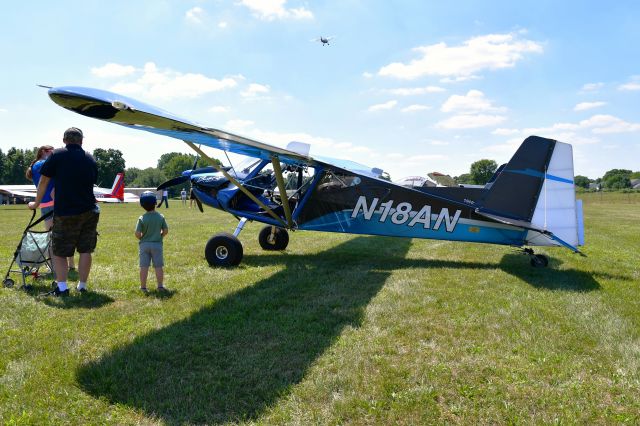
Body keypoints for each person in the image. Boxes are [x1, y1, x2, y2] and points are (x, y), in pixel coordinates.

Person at [28, 127, 99, 296]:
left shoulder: (57, 155)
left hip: (66, 211)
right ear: (81, 141)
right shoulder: (90, 158)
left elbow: (44, 181)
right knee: (85, 250)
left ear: (64, 140)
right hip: (90, 210)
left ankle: (62, 288)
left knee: (59, 250)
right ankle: (82, 286)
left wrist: (37, 203)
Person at [26, 145, 76, 272]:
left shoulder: (36, 165)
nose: (54, 153)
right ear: (43, 152)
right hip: (52, 203)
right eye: (51, 151)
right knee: (55, 236)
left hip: (48, 204)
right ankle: (58, 265)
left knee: (55, 236)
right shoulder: (41, 164)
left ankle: (58, 265)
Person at [135, 191, 169, 293]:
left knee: (144, 266)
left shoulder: (142, 218)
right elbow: (166, 230)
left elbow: (137, 233)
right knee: (158, 266)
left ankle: (143, 288)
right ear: (155, 203)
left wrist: (141, 238)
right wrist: (160, 236)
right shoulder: (160, 217)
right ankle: (160, 286)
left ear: (142, 205)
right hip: (157, 244)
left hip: (144, 245)